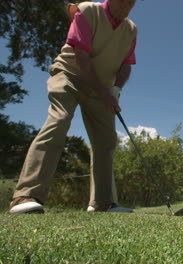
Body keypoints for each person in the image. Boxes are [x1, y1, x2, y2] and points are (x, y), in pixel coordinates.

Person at [9, 0, 138, 214]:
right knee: (59, 120)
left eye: (132, 2)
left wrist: (115, 90)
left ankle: (103, 204)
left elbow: (126, 65)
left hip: (102, 88)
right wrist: (106, 93)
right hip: (70, 74)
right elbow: (82, 58)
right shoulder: (88, 11)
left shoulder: (130, 29)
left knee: (106, 141)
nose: (127, 5)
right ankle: (25, 196)